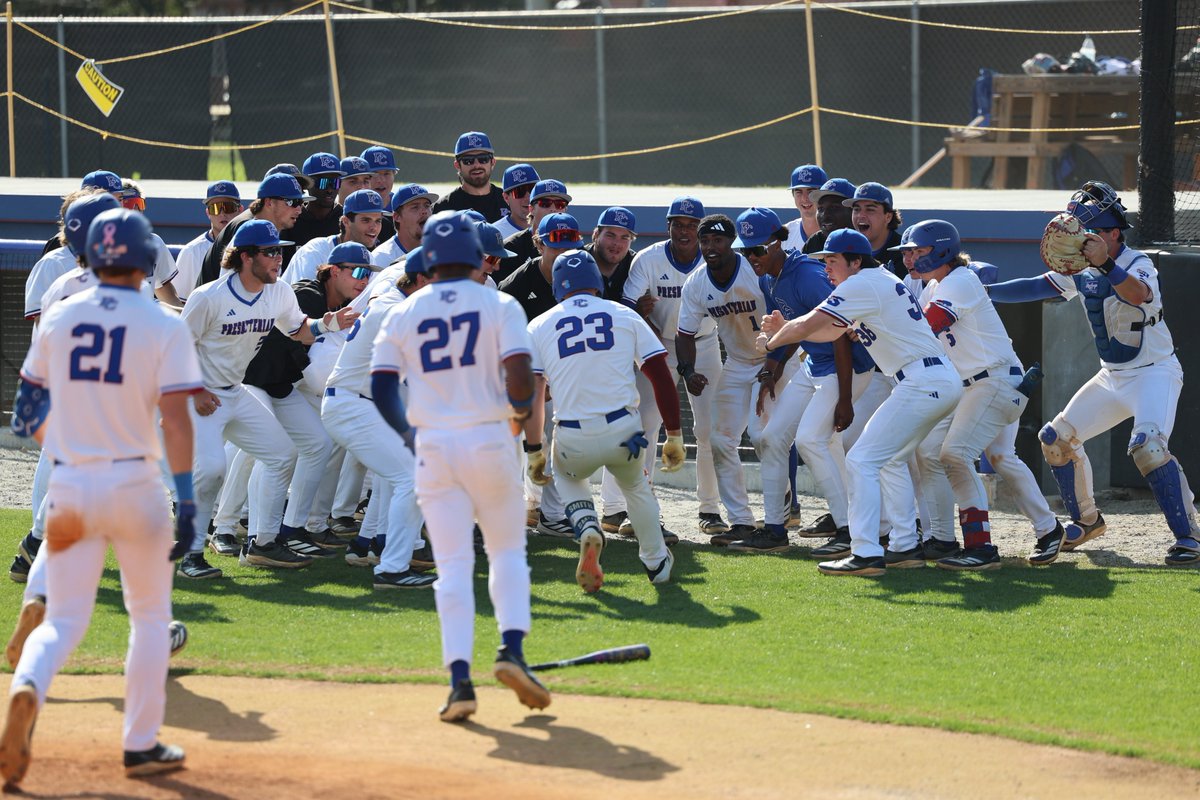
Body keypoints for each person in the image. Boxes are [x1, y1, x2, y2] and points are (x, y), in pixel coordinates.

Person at [3, 208, 201, 784]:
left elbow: (25, 414)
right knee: (149, 619)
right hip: (136, 485)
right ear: (144, 260)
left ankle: (27, 685)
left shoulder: (62, 315)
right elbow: (177, 422)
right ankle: (140, 745)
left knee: (63, 619)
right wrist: (188, 500)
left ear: (91, 254)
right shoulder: (164, 324)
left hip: (73, 483)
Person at [369, 211, 548, 722]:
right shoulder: (499, 302)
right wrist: (520, 412)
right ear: (474, 255)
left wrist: (409, 435)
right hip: (488, 437)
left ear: (428, 258)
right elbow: (520, 373)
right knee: (506, 552)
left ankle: (459, 684)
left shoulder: (405, 310)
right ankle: (511, 651)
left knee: (451, 568)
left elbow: (381, 385)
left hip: (434, 445)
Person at [987, 181, 1199, 566]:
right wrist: (986, 291)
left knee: (1148, 447)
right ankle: (1086, 521)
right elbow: (1036, 286)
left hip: (1154, 373)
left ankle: (1189, 537)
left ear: (1113, 234)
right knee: (1055, 439)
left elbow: (1136, 294)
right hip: (1112, 376)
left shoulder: (1137, 262)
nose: (1080, 239)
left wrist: (1105, 263)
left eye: (1090, 232)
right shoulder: (1082, 267)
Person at [761, 229, 962, 576]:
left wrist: (770, 342)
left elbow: (809, 324)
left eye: (833, 260)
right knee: (890, 460)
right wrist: (786, 327)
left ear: (855, 261)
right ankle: (904, 545)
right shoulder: (874, 279)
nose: (826, 267)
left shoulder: (861, 283)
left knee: (861, 459)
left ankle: (866, 551)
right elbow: (829, 331)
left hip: (923, 380)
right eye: (824, 261)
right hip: (929, 379)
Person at [178, 219, 357, 579]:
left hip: (235, 390)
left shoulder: (278, 292)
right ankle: (191, 554)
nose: (279, 258)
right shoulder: (209, 296)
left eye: (280, 251)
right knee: (211, 469)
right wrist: (196, 389)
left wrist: (328, 324)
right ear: (245, 257)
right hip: (200, 394)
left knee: (282, 455)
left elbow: (298, 331)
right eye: (270, 251)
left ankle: (263, 543)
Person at [898, 220, 1066, 569]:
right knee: (950, 453)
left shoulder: (960, 279)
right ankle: (947, 538)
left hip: (994, 382)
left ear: (941, 249)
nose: (910, 258)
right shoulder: (934, 285)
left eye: (918, 250)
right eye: (907, 252)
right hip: (972, 386)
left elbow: (929, 325)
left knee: (955, 455)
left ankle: (980, 547)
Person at [524, 249, 685, 593]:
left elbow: (533, 394)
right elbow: (660, 375)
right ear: (596, 281)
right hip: (623, 430)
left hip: (572, 433)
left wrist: (534, 448)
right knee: (636, 488)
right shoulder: (624, 314)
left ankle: (586, 526)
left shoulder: (538, 324)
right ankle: (656, 561)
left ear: (558, 285)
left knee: (568, 481)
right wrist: (674, 432)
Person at [732, 207, 878, 553]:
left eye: (758, 249)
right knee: (771, 438)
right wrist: (771, 370)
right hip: (815, 364)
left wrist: (845, 398)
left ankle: (849, 531)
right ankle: (774, 529)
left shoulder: (808, 276)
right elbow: (789, 331)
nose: (752, 257)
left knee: (811, 441)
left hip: (848, 368)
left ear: (779, 242)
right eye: (746, 251)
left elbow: (840, 336)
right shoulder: (768, 278)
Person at [322, 247, 435, 590]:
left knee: (406, 475)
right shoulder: (396, 309)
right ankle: (392, 567)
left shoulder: (396, 302)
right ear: (419, 279)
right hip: (352, 404)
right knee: (411, 478)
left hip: (362, 403)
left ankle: (371, 546)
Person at [621, 197, 728, 538]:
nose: (684, 231)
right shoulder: (648, 258)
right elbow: (626, 306)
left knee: (708, 428)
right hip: (658, 344)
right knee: (646, 424)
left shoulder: (715, 257)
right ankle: (642, 507)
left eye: (692, 226)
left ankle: (710, 508)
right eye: (678, 224)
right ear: (667, 226)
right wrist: (644, 319)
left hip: (704, 343)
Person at [675, 213, 773, 545]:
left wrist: (777, 362)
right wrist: (688, 370)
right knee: (719, 439)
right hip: (738, 362)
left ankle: (779, 514)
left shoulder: (754, 270)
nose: (710, 247)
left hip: (775, 359)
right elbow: (684, 334)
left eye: (718, 240)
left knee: (763, 436)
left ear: (732, 242)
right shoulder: (696, 283)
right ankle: (741, 521)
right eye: (704, 241)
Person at [499, 212, 586, 537]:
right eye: (555, 245)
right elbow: (502, 338)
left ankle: (552, 513)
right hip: (518, 374)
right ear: (538, 244)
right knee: (511, 444)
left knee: (563, 441)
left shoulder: (582, 275)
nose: (563, 253)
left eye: (570, 246)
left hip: (561, 375)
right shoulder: (517, 284)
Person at [197, 170, 312, 287]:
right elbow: (232, 290)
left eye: (300, 202)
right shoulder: (248, 230)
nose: (299, 210)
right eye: (292, 202)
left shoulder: (266, 229)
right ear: (269, 202)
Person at [287, 189, 385, 285]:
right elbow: (303, 294)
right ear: (346, 221)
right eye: (366, 220)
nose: (374, 228)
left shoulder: (369, 258)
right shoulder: (314, 252)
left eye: (378, 221)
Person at [173, 181, 243, 301]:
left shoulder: (252, 247)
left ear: (240, 210)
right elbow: (179, 302)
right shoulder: (191, 252)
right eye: (215, 208)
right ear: (208, 213)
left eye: (228, 207)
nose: (222, 213)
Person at [497, 179, 572, 280]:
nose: (553, 209)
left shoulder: (573, 244)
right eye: (545, 203)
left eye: (560, 204)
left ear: (565, 209)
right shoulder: (510, 248)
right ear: (531, 209)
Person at [430, 131, 505, 222]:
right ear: (457, 165)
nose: (476, 165)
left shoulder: (509, 201)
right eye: (468, 160)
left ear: (492, 162)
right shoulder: (442, 209)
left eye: (483, 159)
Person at [287, 152, 346, 250]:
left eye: (335, 183)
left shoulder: (346, 219)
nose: (330, 190)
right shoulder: (292, 220)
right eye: (323, 183)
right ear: (307, 184)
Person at [371, 183, 437, 268]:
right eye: (415, 207)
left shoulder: (439, 251)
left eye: (427, 206)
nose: (424, 211)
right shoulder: (381, 258)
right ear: (397, 217)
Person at [801, 178, 856, 257]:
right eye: (820, 209)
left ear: (853, 210)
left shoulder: (868, 240)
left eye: (834, 208)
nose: (825, 215)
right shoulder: (816, 242)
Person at [782, 164, 827, 252]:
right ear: (793, 195)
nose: (804, 198)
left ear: (824, 194)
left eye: (811, 192)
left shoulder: (835, 233)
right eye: (799, 192)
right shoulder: (786, 234)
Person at [494, 163, 540, 240]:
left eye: (532, 190)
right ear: (506, 198)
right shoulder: (495, 233)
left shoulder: (554, 227)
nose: (528, 198)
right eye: (519, 192)